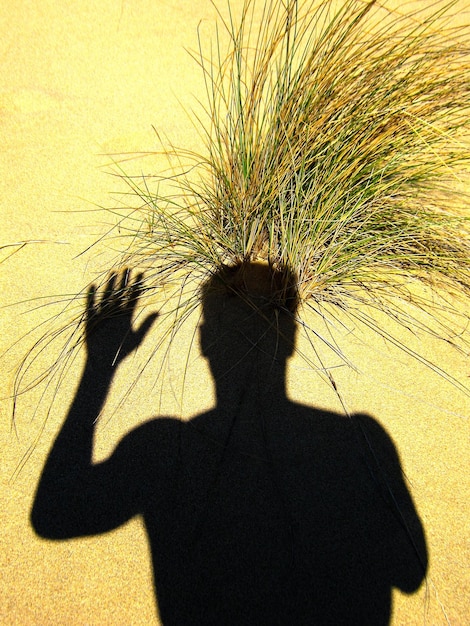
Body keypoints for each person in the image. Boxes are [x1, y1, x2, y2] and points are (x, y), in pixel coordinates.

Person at [31, 263, 427, 625]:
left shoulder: (166, 448)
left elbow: (55, 514)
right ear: (290, 340)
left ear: (204, 342)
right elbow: (409, 573)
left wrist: (100, 367)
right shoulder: (356, 439)